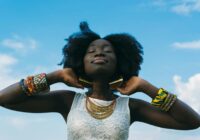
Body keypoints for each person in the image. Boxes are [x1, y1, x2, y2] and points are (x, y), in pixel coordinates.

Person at [0, 22, 199, 140]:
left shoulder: (130, 107)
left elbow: (191, 122)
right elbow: (5, 99)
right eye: (91, 51)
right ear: (80, 61)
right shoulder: (68, 101)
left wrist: (147, 87)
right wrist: (55, 76)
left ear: (120, 61)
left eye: (107, 50)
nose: (99, 53)